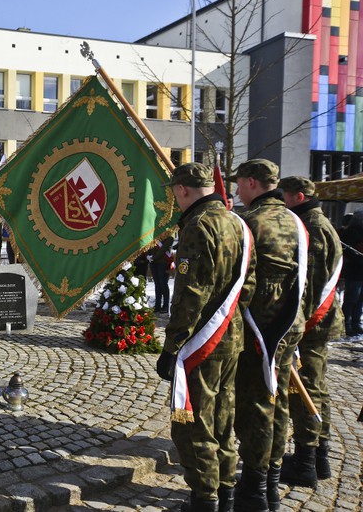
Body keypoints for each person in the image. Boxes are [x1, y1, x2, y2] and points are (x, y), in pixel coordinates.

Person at [155, 163, 255, 512]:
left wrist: (171, 348)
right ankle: (225, 493)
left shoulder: (198, 226)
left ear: (182, 189)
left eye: (174, 193)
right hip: (231, 337)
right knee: (223, 420)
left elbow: (189, 296)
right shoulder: (238, 222)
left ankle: (205, 500)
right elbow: (249, 285)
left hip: (202, 344)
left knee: (193, 424)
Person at [230, 159, 307, 512]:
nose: (237, 189)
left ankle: (255, 489)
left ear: (250, 183)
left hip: (259, 328)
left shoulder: (249, 223)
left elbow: (237, 282)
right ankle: (272, 483)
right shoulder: (296, 220)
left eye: (239, 183)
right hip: (291, 324)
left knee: (256, 407)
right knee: (279, 403)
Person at [279, 176, 344, 487]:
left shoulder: (313, 227)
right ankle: (319, 456)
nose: (283, 201)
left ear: (299, 196)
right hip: (318, 323)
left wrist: (297, 325)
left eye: (286, 196)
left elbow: (312, 285)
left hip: (313, 323)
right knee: (317, 386)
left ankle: (307, 459)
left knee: (306, 388)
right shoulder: (316, 221)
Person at [339, 210, 363, 336]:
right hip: (354, 270)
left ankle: (356, 322)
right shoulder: (350, 232)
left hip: (360, 271)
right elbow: (348, 252)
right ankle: (346, 324)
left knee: (360, 299)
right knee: (351, 299)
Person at [149, 235, 175, 314]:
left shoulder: (169, 234)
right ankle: (157, 305)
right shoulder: (154, 233)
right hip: (153, 260)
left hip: (163, 261)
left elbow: (164, 247)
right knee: (157, 284)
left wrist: (154, 257)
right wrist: (149, 255)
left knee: (163, 283)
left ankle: (165, 306)